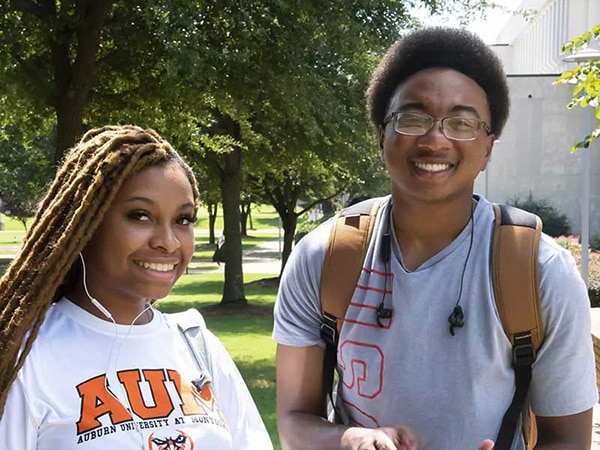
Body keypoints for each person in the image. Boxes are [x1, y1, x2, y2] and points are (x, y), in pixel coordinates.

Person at [273, 27, 597, 450]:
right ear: (381, 134)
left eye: (462, 123)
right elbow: (295, 419)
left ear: (488, 147)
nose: (435, 139)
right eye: (413, 117)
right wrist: (350, 439)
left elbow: (569, 439)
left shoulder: (539, 270)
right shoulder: (322, 258)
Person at [0, 125, 273, 450]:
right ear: (86, 224)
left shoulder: (199, 347)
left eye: (183, 219)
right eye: (140, 215)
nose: (168, 242)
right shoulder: (25, 356)